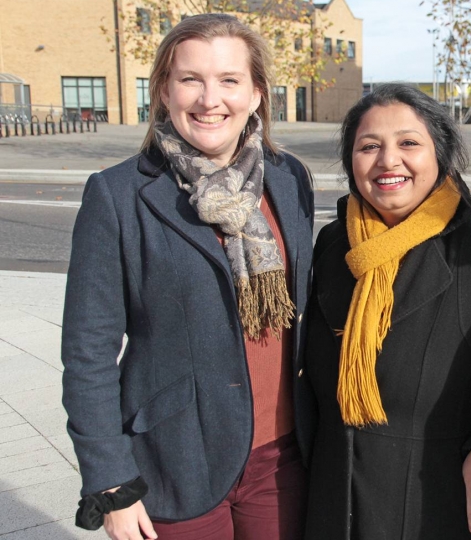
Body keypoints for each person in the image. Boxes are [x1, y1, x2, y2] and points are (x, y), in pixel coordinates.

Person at [61, 14, 313, 540]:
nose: (209, 99)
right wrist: (110, 482)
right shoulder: (118, 194)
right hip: (176, 461)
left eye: (228, 80)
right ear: (164, 90)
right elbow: (88, 351)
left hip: (281, 458)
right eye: (190, 79)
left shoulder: (289, 178)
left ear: (257, 92)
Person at [302, 84, 471, 539]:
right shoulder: (333, 246)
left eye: (408, 143)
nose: (388, 160)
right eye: (369, 146)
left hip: (437, 503)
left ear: (441, 154)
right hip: (335, 500)